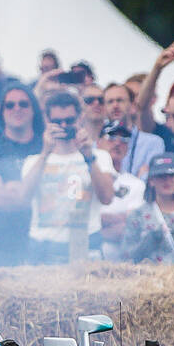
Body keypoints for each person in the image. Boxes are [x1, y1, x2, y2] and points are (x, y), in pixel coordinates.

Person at [16, 91, 115, 264]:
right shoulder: (33, 161)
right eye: (57, 122)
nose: (63, 125)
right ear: (47, 121)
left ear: (80, 119)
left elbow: (107, 198)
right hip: (43, 249)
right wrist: (45, 153)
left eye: (69, 121)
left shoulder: (100, 157)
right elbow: (23, 199)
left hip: (86, 245)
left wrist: (88, 156)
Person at [0, 82, 44, 266]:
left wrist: (14, 190)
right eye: (10, 105)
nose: (17, 109)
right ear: (1, 111)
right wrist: (31, 193)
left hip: (44, 249)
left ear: (33, 110)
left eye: (23, 104)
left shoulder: (45, 147)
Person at [122, 152, 174, 263]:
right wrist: (147, 241)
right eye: (161, 176)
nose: (167, 181)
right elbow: (127, 256)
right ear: (151, 181)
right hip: (149, 277)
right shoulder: (137, 215)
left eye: (172, 175)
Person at [96, 121, 147, 261]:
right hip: (89, 257)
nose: (118, 143)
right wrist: (120, 218)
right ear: (99, 142)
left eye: (124, 139)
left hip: (121, 262)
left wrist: (95, 228)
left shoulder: (136, 184)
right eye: (111, 137)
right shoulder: (87, 177)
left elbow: (131, 227)